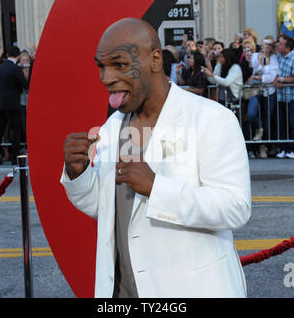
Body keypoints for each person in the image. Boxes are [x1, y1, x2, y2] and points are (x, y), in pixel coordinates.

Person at [61, 18, 251, 298]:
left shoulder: (211, 119)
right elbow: (103, 208)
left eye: (119, 64)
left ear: (154, 60)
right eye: (101, 67)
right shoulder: (112, 128)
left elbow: (235, 208)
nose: (106, 78)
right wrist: (78, 174)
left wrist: (156, 187)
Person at [0, 46, 29, 165]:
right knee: (15, 131)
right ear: (18, 56)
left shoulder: (0, 67)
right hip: (12, 104)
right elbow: (24, 84)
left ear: (8, 55)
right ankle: (14, 158)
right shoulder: (15, 69)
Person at [246, 36, 279, 158]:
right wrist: (261, 60)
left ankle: (265, 146)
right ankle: (258, 130)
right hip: (255, 90)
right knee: (251, 114)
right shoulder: (255, 55)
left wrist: (257, 77)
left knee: (268, 118)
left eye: (269, 45)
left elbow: (270, 77)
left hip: (269, 91)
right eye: (265, 44)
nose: (267, 46)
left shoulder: (274, 58)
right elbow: (255, 68)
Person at [274, 34, 294, 159]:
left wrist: (282, 79)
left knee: (293, 123)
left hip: (292, 96)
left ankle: (293, 149)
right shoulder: (277, 56)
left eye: (281, 44)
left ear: (287, 48)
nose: (278, 45)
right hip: (280, 96)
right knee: (281, 123)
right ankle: (283, 148)